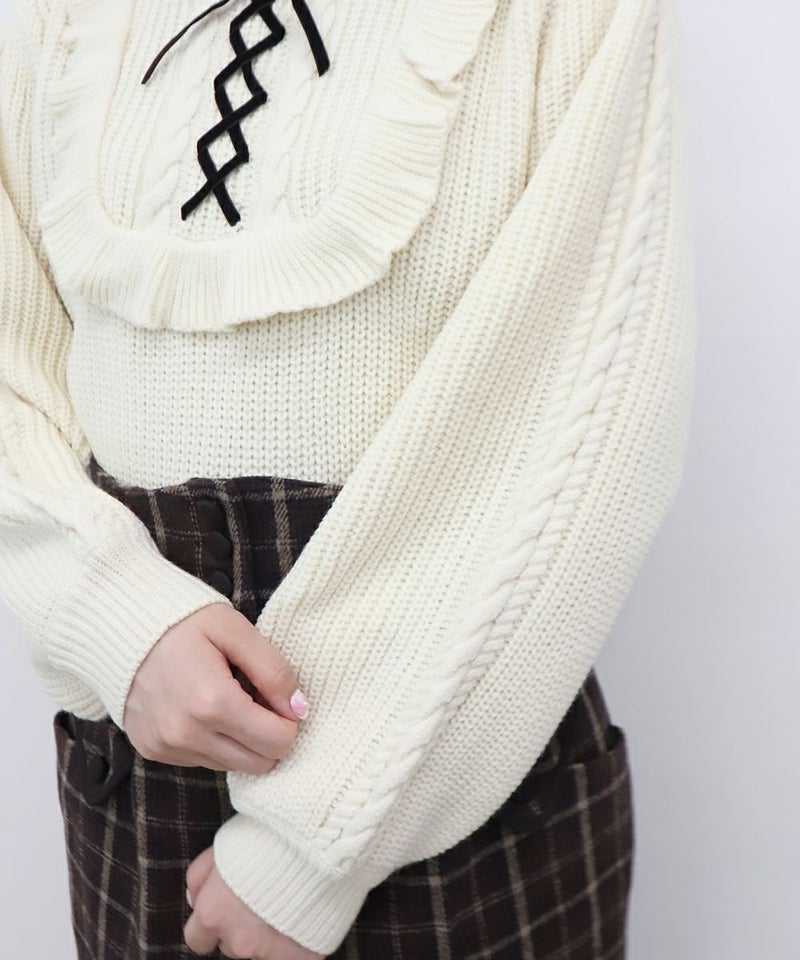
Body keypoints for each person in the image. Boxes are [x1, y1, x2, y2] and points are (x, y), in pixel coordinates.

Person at [0, 0, 695, 957]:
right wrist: (114, 615)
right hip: (143, 737)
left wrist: (315, 841)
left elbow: (591, 394)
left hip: (447, 742)